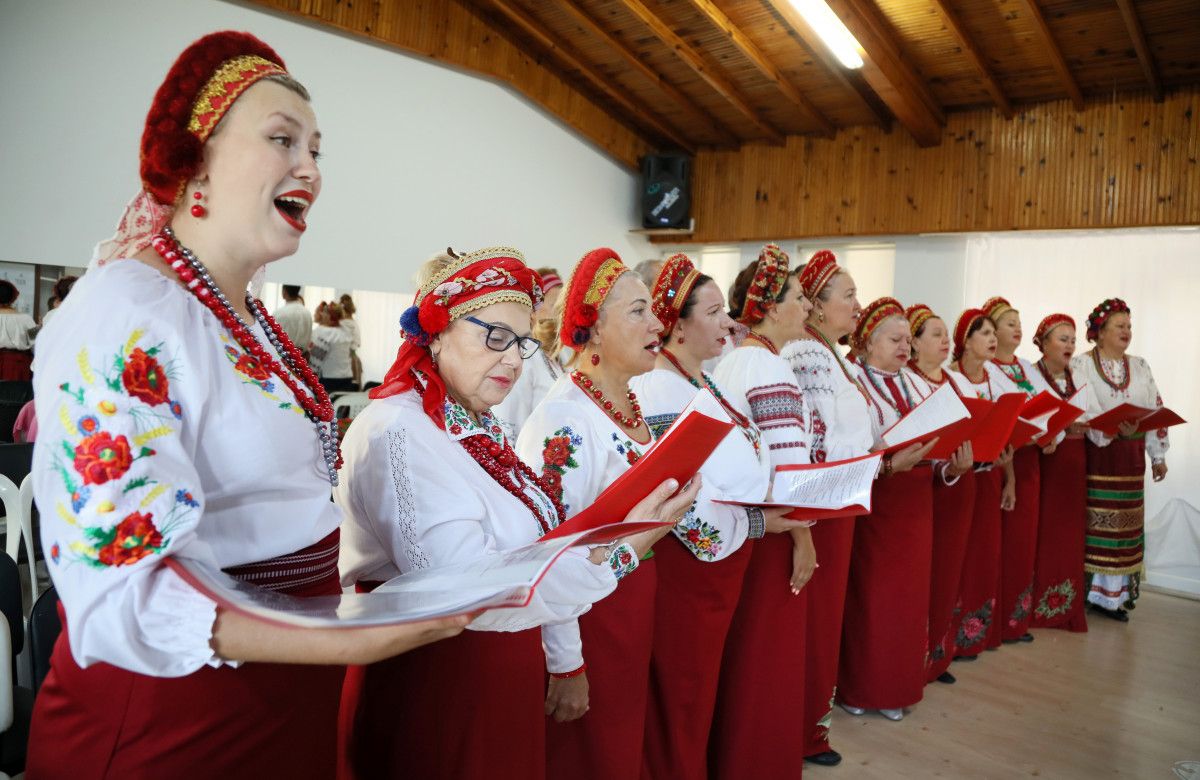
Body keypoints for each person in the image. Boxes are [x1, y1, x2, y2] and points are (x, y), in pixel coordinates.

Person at [25, 31, 469, 778]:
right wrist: (349, 641)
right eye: (280, 139)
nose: (311, 170)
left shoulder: (245, 314)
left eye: (317, 150)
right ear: (194, 158)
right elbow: (120, 591)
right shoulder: (126, 314)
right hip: (177, 715)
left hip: (281, 686)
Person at [336, 246, 695, 779]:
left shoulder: (475, 423)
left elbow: (536, 549)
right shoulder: (400, 429)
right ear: (436, 331)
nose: (513, 359)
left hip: (498, 669)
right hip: (440, 678)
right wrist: (632, 544)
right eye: (495, 336)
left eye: (522, 342)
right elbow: (470, 597)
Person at [631, 253, 804, 780]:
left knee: (697, 695)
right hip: (690, 571)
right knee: (680, 696)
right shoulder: (659, 387)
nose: (729, 321)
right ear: (678, 327)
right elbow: (679, 501)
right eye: (713, 312)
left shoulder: (703, 384)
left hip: (716, 570)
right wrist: (757, 523)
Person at [517, 247, 687, 780]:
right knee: (588, 753)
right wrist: (567, 663)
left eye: (653, 309)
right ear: (592, 327)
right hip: (592, 617)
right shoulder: (565, 419)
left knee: (618, 745)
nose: (657, 322)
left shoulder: (627, 403)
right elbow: (553, 553)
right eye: (638, 311)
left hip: (631, 602)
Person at [709, 244, 818, 779]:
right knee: (767, 654)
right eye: (800, 297)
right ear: (772, 308)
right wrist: (803, 535)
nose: (809, 308)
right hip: (772, 531)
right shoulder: (768, 366)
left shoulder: (732, 361)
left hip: (742, 526)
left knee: (743, 650)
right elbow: (787, 469)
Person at [838, 298, 941, 722]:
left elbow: (937, 437)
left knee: (907, 598)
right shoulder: (852, 382)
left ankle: (897, 688)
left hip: (916, 504)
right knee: (872, 596)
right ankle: (860, 686)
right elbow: (854, 447)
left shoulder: (919, 384)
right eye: (895, 339)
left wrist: (952, 462)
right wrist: (883, 462)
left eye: (907, 340)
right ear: (868, 342)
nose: (905, 348)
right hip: (878, 504)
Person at [1070, 298, 1169, 621]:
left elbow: (1155, 408)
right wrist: (1109, 430)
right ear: (1099, 333)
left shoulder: (1140, 366)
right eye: (1119, 326)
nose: (1127, 331)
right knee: (1095, 523)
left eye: (1129, 326)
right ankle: (1090, 594)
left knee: (1125, 527)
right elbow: (1085, 405)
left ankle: (1115, 598)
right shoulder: (1082, 365)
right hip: (1099, 454)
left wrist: (1157, 456)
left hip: (1131, 458)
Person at [902, 304, 977, 685]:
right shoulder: (907, 382)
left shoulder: (957, 382)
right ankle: (915, 660)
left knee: (949, 570)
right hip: (926, 490)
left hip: (959, 484)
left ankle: (938, 654)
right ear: (914, 342)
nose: (946, 341)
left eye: (948, 335)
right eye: (936, 334)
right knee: (923, 576)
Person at [949, 309, 1020, 659]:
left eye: (995, 332)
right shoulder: (951, 380)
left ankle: (977, 635)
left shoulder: (996, 375)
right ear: (965, 340)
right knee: (960, 559)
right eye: (985, 333)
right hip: (961, 479)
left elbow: (1017, 418)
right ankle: (952, 641)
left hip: (991, 477)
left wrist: (1010, 478)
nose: (993, 340)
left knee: (984, 558)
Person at [983, 296, 1053, 644]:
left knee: (1023, 541)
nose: (1017, 328)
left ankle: (1015, 620)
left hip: (1029, 461)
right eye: (1010, 323)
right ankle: (993, 623)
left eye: (1019, 322)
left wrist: (1050, 432)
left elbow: (1047, 408)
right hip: (1005, 458)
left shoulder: (1027, 367)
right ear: (992, 330)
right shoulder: (988, 370)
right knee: (1000, 543)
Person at [1030, 314, 1089, 632]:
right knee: (1044, 531)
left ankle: (1066, 608)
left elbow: (1090, 413)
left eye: (1072, 340)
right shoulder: (1030, 375)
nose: (1069, 345)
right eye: (1062, 339)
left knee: (1070, 533)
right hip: (1047, 460)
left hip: (1076, 461)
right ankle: (1038, 607)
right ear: (1043, 342)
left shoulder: (1078, 375)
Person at [494, 267, 564, 437]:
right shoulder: (525, 357)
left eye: (564, 303)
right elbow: (508, 424)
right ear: (535, 310)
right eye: (555, 303)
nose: (562, 311)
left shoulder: (563, 355)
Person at [311, 300, 356, 392]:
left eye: (324, 313)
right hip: (347, 378)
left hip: (329, 380)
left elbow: (316, 360)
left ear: (328, 316)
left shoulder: (324, 333)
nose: (322, 314)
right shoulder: (345, 332)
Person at [0, 280, 36, 381]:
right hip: (18, 365)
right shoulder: (27, 319)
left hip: (18, 362)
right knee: (16, 395)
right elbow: (38, 343)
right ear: (12, 298)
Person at [273, 283, 311, 357]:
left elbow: (272, 337)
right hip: (302, 359)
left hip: (283, 358)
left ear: (284, 292)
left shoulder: (279, 313)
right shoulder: (307, 313)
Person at [339, 292, 363, 387]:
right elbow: (357, 344)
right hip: (354, 359)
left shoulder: (341, 324)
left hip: (346, 360)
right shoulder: (354, 324)